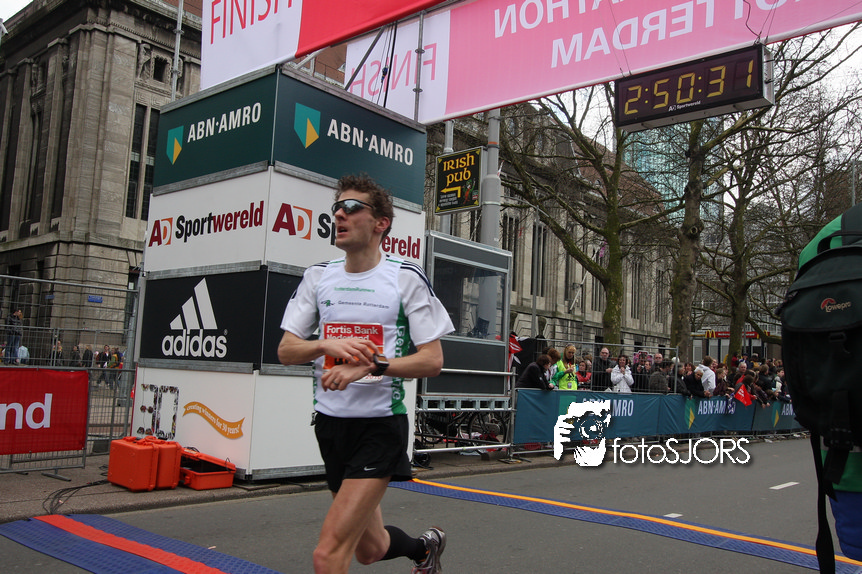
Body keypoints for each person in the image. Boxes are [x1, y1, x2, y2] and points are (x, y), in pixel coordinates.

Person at [277, 174, 454, 574]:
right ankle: (425, 548)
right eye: (337, 207)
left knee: (328, 554)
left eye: (352, 207)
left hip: (379, 428)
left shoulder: (404, 277)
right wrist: (326, 345)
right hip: (331, 426)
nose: (340, 214)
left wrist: (374, 365)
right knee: (369, 549)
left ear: (380, 223)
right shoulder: (318, 277)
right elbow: (287, 350)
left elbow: (432, 361)